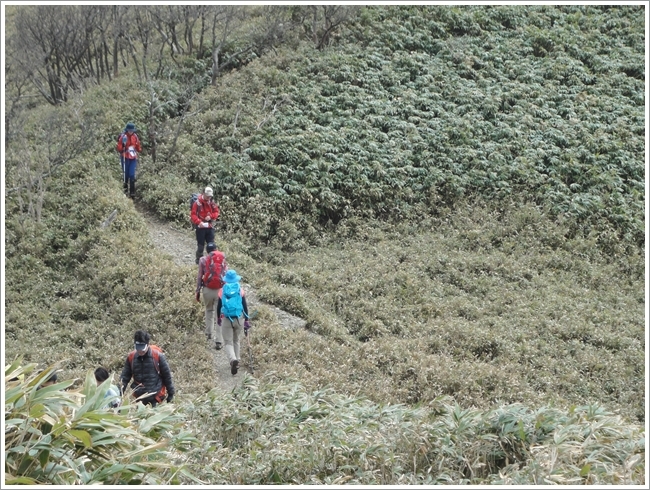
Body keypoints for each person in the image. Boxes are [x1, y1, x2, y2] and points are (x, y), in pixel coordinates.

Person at [120, 330, 175, 407]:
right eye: (138, 348)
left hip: (155, 397)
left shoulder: (157, 356)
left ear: (148, 344)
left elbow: (167, 376)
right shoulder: (131, 357)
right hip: (139, 398)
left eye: (142, 348)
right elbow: (124, 377)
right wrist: (119, 392)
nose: (140, 351)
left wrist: (171, 393)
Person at [216, 269, 251, 375]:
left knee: (228, 342)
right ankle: (238, 360)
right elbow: (245, 306)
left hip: (226, 318)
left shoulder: (222, 290)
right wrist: (246, 320)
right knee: (236, 340)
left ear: (226, 279)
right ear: (236, 279)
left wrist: (218, 318)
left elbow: (218, 307)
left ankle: (232, 360)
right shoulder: (240, 290)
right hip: (239, 317)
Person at [196, 242, 228, 350]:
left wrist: (197, 292)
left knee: (209, 310)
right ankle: (219, 340)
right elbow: (225, 275)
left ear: (207, 251)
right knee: (219, 315)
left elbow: (200, 276)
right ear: (216, 249)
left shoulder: (203, 260)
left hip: (207, 289)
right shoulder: (222, 258)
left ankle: (208, 333)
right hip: (220, 290)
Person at [190, 186, 220, 264]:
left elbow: (216, 212)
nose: (209, 197)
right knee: (201, 246)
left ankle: (213, 261)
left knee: (211, 245)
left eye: (210, 196)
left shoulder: (212, 202)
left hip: (210, 226)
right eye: (207, 196)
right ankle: (199, 261)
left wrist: (211, 216)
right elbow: (193, 215)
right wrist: (199, 222)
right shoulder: (197, 203)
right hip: (200, 227)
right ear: (203, 194)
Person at [116, 122, 142, 198]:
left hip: (133, 158)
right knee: (125, 174)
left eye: (132, 130)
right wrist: (123, 146)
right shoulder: (123, 136)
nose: (130, 131)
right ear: (127, 130)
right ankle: (125, 191)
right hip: (125, 157)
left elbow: (138, 147)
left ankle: (132, 193)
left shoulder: (135, 137)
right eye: (129, 130)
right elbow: (119, 148)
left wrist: (138, 149)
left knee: (132, 174)